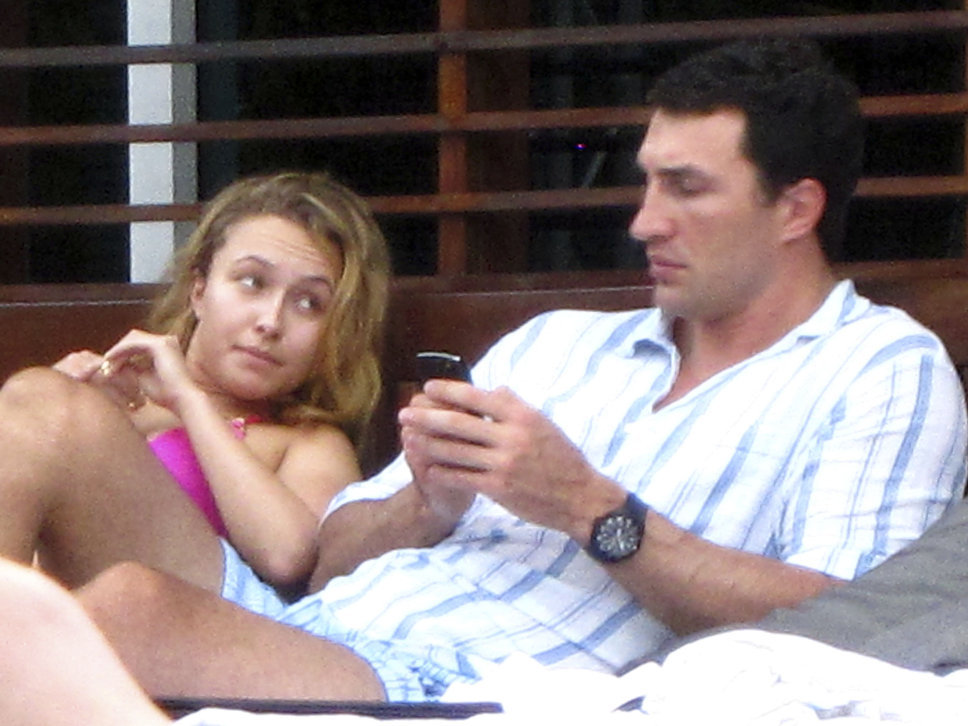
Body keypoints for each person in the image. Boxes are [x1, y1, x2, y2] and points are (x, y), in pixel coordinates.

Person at [32, 35, 968, 705]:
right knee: (46, 419)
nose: (643, 220)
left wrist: (592, 511)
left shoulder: (880, 368)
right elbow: (322, 562)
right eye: (647, 181)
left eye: (685, 189)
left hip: (464, 683)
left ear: (796, 209)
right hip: (314, 626)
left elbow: (854, 622)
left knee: (114, 615)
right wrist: (424, 505)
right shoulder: (557, 344)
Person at [0, 170, 390, 592]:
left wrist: (189, 400)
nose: (271, 321)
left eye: (309, 303)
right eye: (252, 282)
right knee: (43, 398)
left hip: (203, 617)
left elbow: (288, 557)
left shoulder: (310, 442)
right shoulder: (112, 399)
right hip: (61, 613)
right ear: (198, 290)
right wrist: (55, 420)